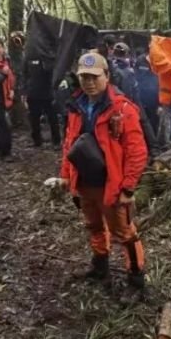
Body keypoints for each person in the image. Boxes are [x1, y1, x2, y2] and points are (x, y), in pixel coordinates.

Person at [59, 51, 148, 293]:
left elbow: (137, 151)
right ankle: (100, 267)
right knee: (94, 225)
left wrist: (128, 187)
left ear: (107, 76)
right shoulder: (76, 106)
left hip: (113, 184)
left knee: (125, 233)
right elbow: (69, 144)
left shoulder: (122, 108)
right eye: (84, 77)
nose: (88, 82)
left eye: (94, 77)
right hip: (85, 181)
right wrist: (66, 177)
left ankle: (136, 278)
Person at [24, 53, 61, 149]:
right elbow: (24, 74)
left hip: (48, 93)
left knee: (53, 118)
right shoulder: (28, 57)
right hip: (33, 93)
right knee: (34, 118)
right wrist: (24, 91)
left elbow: (54, 73)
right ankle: (37, 140)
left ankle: (56, 141)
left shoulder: (49, 56)